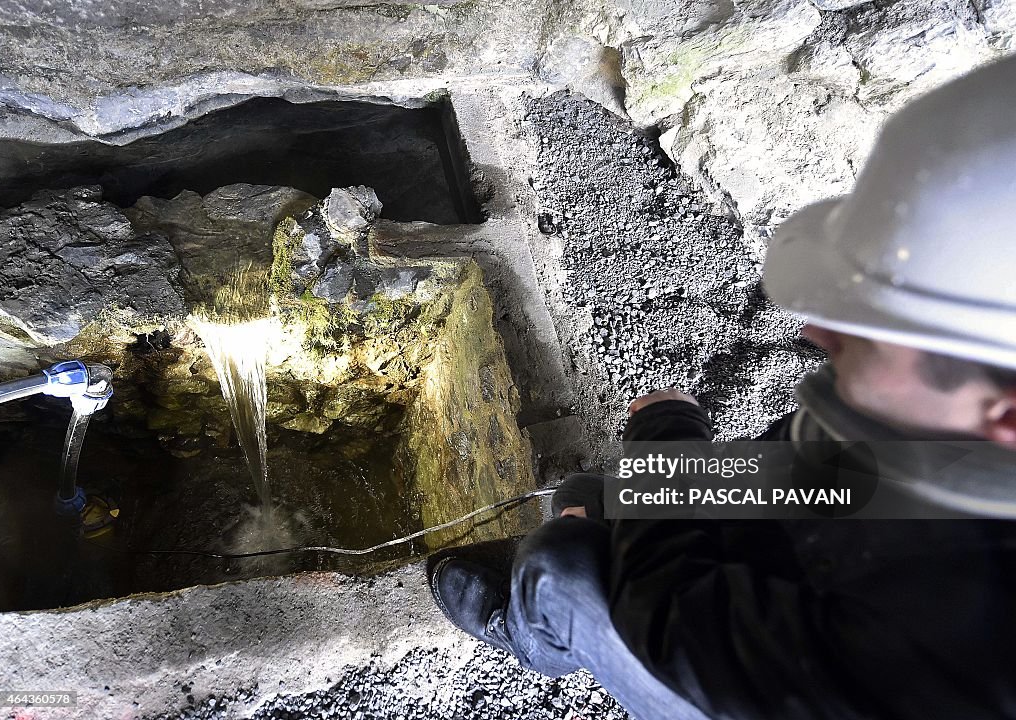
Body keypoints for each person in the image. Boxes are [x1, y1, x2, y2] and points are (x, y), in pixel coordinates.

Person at [429, 54, 1016, 719]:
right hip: (808, 564)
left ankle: (537, 632)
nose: (817, 336)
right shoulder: (928, 414)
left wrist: (666, 435)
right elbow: (792, 474)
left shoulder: (960, 640)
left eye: (871, 332)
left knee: (561, 565)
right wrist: (654, 486)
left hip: (771, 685)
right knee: (591, 491)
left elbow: (677, 616)